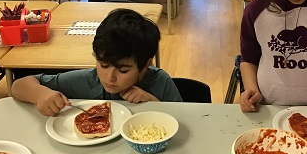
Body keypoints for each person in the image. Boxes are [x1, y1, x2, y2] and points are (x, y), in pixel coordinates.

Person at [12, 9, 182, 116]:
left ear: (145, 66)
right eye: (103, 65)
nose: (110, 77)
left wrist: (155, 105)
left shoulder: (160, 82)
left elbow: (187, 119)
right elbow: (18, 86)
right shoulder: (87, 80)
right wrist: (40, 94)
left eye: (123, 70)